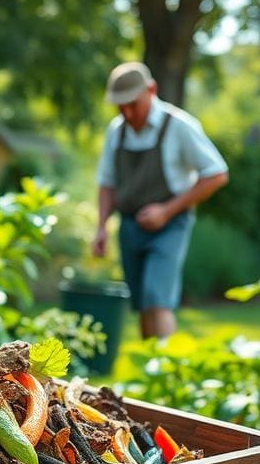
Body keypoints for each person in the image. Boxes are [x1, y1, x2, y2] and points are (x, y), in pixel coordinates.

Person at [92, 62, 229, 340]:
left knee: (157, 297)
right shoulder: (116, 131)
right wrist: (101, 226)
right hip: (130, 226)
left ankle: (166, 371)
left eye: (133, 104)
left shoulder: (179, 126)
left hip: (170, 225)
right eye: (121, 107)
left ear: (151, 90)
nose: (128, 113)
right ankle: (150, 372)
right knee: (142, 303)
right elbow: (107, 183)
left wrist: (166, 211)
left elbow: (216, 174)